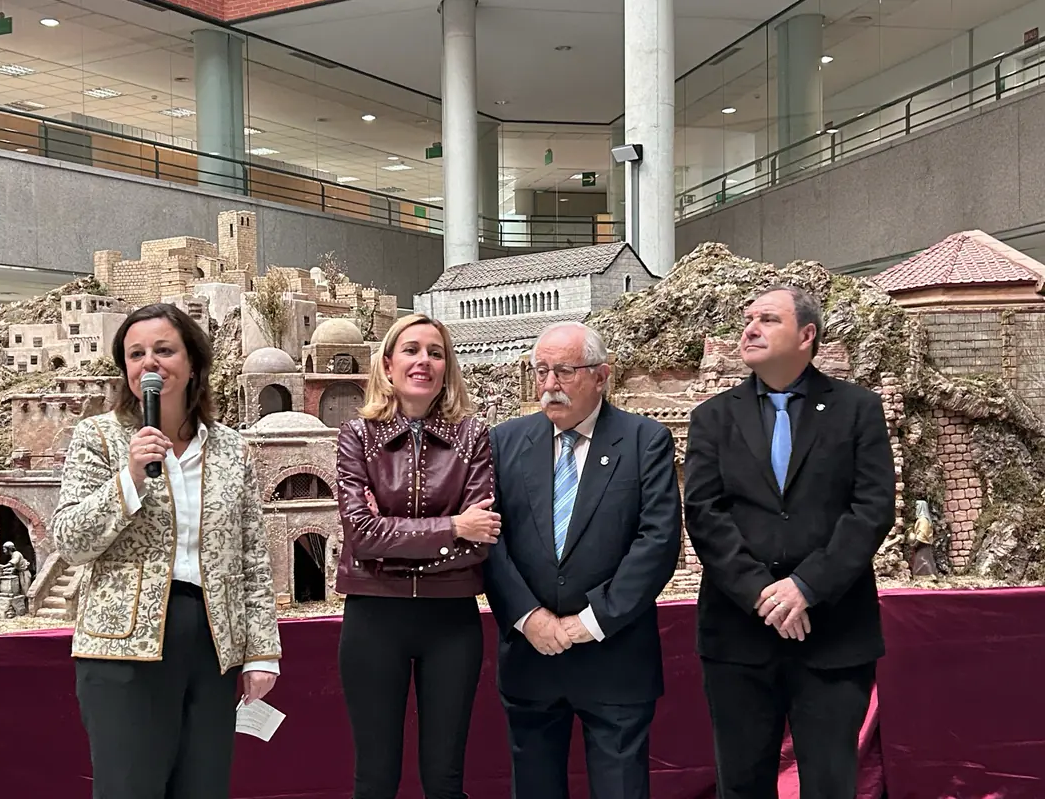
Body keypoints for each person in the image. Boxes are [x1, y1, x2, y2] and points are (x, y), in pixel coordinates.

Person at [52, 303, 281, 799]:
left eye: (164, 350)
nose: (149, 363)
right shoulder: (98, 437)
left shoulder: (231, 449)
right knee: (129, 788)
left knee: (203, 787)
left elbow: (252, 557)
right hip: (123, 649)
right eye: (136, 354)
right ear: (125, 370)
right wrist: (129, 477)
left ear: (193, 361)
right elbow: (69, 541)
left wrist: (263, 651)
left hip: (213, 642)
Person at [683, 285, 896, 799]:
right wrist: (764, 593)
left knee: (830, 784)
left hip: (833, 632)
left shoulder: (857, 409)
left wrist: (805, 587)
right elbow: (705, 515)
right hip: (738, 633)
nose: (750, 328)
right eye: (748, 318)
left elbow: (871, 510)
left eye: (768, 319)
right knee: (742, 785)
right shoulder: (712, 416)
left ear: (807, 335)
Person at [484, 321, 682, 799]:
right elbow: (491, 541)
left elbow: (657, 543)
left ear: (601, 376)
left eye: (565, 371)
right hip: (532, 660)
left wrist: (587, 623)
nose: (550, 384)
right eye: (542, 371)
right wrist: (529, 618)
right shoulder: (504, 442)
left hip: (614, 659)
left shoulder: (644, 441)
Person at [335, 313, 499, 799]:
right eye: (410, 349)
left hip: (451, 622)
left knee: (445, 779)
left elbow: (480, 540)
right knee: (375, 778)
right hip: (373, 620)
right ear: (387, 364)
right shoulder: (356, 435)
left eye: (435, 351)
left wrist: (394, 546)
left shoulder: (473, 436)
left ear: (447, 368)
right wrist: (451, 527)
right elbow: (361, 535)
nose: (423, 360)